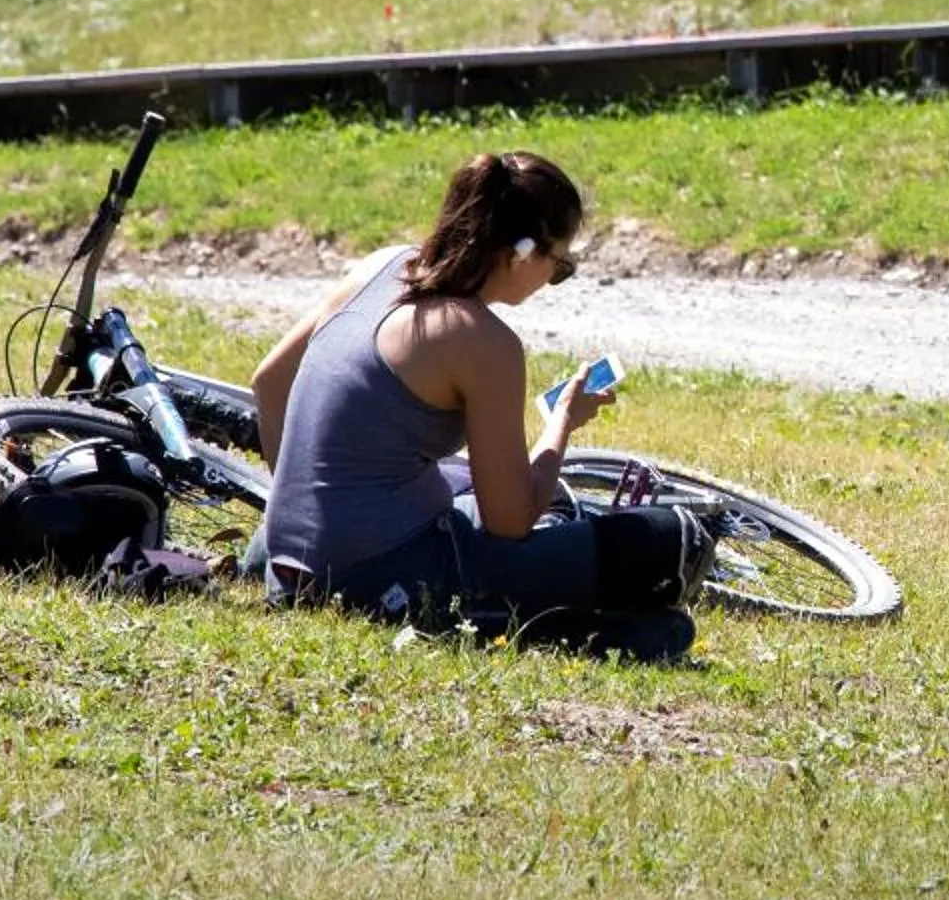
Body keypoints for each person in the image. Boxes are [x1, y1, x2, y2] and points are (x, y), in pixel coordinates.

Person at [251, 151, 712, 656]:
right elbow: (509, 522)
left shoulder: (382, 265)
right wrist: (561, 425)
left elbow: (269, 382)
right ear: (521, 254)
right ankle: (553, 628)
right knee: (668, 542)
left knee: (542, 504)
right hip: (379, 578)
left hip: (285, 558)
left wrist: (307, 501)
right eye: (560, 266)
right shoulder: (481, 340)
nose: (553, 280)